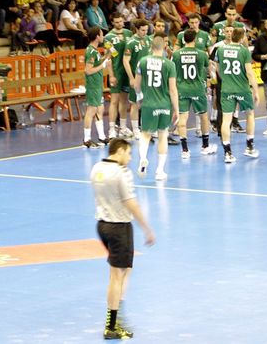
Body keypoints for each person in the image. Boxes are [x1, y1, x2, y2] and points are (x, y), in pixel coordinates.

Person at [90, 137, 156, 340]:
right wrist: (147, 228)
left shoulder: (97, 169)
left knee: (124, 270)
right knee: (117, 276)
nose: (129, 158)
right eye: (128, 154)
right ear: (119, 152)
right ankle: (112, 324)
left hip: (102, 224)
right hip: (119, 227)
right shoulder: (121, 173)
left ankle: (116, 310)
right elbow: (131, 203)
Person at [212, 26, 261, 163]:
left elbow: (216, 66)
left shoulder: (220, 49)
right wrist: (256, 91)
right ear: (242, 37)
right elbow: (250, 73)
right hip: (242, 89)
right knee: (250, 115)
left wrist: (224, 77)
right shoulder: (244, 51)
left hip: (226, 89)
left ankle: (227, 153)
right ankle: (249, 147)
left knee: (226, 121)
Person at [134, 35, 179, 181]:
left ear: (151, 47)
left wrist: (139, 97)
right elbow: (172, 90)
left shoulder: (142, 62)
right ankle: (160, 171)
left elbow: (136, 85)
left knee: (146, 134)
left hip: (148, 104)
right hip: (164, 105)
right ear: (164, 48)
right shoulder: (169, 64)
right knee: (162, 136)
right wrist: (176, 109)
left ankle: (142, 158)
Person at [171, 28, 215, 159]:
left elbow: (173, 71)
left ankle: (185, 150)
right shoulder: (202, 54)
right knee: (203, 117)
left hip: (182, 89)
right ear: (195, 39)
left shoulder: (176, 54)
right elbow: (209, 70)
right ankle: (205, 146)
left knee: (182, 119)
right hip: (197, 89)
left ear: (183, 39)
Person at [104, 13, 133, 139]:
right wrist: (111, 75)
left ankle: (123, 127)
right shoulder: (108, 38)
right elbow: (108, 57)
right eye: (116, 22)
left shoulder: (129, 33)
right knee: (114, 101)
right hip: (116, 72)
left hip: (127, 72)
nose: (119, 24)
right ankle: (111, 129)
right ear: (112, 23)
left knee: (124, 101)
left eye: (121, 21)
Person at [123, 19, 152, 137]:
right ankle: (135, 130)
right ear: (136, 29)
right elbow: (125, 61)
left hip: (148, 76)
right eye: (142, 30)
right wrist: (131, 78)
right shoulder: (131, 42)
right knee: (135, 103)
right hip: (137, 77)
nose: (145, 32)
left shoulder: (148, 39)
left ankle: (147, 127)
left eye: (146, 30)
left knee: (148, 102)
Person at [82, 27, 109, 148]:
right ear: (97, 36)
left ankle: (102, 137)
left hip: (98, 85)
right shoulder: (91, 51)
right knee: (91, 111)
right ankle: (86, 139)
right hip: (93, 86)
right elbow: (88, 71)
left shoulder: (95, 50)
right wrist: (103, 66)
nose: (103, 37)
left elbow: (98, 63)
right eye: (102, 34)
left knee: (100, 110)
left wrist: (107, 55)